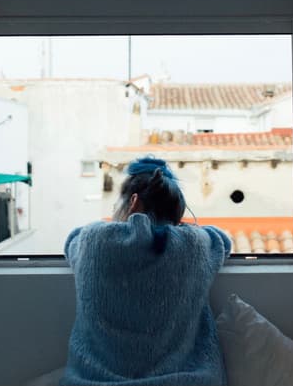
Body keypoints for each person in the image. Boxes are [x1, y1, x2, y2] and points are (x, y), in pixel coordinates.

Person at [61, 157, 232, 386]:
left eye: (116, 205)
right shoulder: (195, 246)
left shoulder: (94, 241)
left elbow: (72, 240)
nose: (114, 211)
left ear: (133, 201)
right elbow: (223, 240)